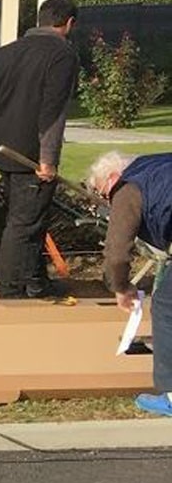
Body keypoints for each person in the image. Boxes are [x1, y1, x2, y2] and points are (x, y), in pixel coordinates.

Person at [0, 0, 79, 299]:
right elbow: (53, 111)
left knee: (31, 218)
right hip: (31, 155)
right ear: (69, 23)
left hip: (3, 149)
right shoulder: (62, 55)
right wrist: (48, 158)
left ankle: (36, 282)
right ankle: (10, 289)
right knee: (24, 223)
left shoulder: (4, 53)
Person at [85, 150, 172, 417]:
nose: (106, 201)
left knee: (166, 306)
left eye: (102, 194)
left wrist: (121, 287)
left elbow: (116, 253)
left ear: (112, 177)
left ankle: (171, 395)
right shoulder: (157, 164)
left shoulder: (127, 189)